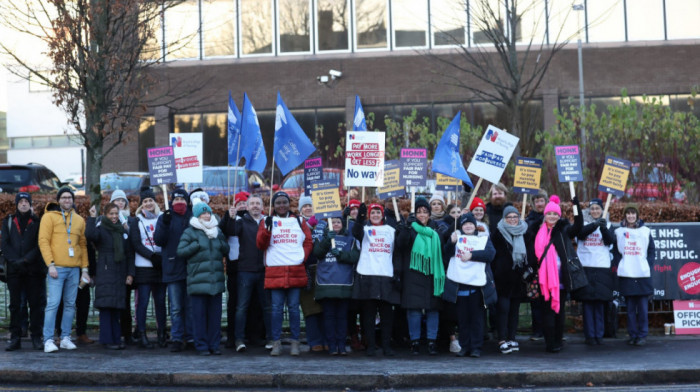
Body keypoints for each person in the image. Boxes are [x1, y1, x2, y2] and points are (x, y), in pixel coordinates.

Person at [256, 192, 313, 356]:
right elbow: (260, 244)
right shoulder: (267, 221)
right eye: (278, 202)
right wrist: (266, 230)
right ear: (273, 205)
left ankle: (295, 342)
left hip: (295, 270)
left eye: (285, 202)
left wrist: (302, 257)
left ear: (290, 204)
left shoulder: (299, 221)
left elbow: (308, 241)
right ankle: (276, 342)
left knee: (295, 309)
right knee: (276, 309)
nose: (282, 205)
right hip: (275, 272)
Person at [525, 195, 582, 353]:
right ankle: (550, 342)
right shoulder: (536, 230)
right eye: (549, 213)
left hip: (561, 278)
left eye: (555, 214)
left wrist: (576, 206)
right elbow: (531, 251)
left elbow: (578, 226)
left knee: (559, 312)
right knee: (547, 312)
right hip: (543, 279)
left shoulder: (563, 230)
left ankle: (558, 340)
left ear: (559, 216)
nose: (552, 216)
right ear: (545, 215)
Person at [38, 187, 89, 353]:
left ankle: (65, 337)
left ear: (73, 200)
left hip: (74, 269)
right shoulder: (48, 217)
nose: (67, 200)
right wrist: (50, 264)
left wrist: (85, 268)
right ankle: (48, 340)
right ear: (58, 200)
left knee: (69, 305)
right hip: (56, 268)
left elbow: (82, 245)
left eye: (70, 197)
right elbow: (43, 241)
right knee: (53, 304)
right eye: (64, 197)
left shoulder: (79, 220)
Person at [177, 202, 229, 356]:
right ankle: (201, 346)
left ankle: (214, 345)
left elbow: (226, 249)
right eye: (203, 213)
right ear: (197, 216)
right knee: (199, 317)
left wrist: (221, 243)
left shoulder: (217, 231)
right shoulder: (190, 232)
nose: (206, 216)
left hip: (215, 281)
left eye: (208, 213)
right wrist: (195, 246)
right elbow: (181, 251)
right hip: (198, 281)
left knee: (215, 316)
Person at [396, 197, 445, 356]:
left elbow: (443, 250)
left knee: (433, 310)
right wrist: (405, 226)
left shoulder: (436, 230)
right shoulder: (409, 228)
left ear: (430, 214)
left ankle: (432, 341)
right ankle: (415, 342)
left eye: (425, 212)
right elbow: (400, 244)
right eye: (419, 212)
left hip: (432, 275)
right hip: (413, 274)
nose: (422, 215)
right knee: (414, 311)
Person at [223, 194, 272, 353]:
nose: (255, 206)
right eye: (252, 204)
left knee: (266, 307)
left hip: (264, 270)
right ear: (248, 206)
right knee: (241, 307)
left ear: (262, 206)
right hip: (245, 270)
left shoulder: (267, 221)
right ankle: (238, 339)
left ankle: (271, 338)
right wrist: (230, 217)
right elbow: (232, 230)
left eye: (258, 203)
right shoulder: (241, 221)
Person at [442, 213, 495, 358]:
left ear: (475, 225)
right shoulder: (456, 238)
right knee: (463, 319)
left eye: (471, 224)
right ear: (461, 226)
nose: (468, 226)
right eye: (465, 224)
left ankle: (476, 347)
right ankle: (465, 347)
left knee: (477, 319)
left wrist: (472, 255)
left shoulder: (483, 239)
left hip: (477, 288)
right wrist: (451, 242)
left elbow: (490, 254)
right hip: (460, 287)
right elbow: (446, 255)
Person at [352, 203, 400, 357]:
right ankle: (371, 346)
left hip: (386, 275)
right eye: (372, 213)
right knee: (369, 315)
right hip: (368, 274)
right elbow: (356, 232)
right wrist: (360, 216)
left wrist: (403, 225)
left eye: (378, 212)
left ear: (382, 215)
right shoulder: (364, 229)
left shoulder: (391, 230)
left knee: (387, 315)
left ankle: (386, 346)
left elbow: (401, 243)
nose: (375, 215)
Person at [86, 203, 135, 349]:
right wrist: (91, 217)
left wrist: (130, 273)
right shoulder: (101, 229)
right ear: (105, 215)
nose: (114, 217)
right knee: (106, 307)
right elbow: (89, 235)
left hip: (120, 273)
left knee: (116, 307)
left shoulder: (122, 231)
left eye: (115, 214)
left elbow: (129, 254)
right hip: (106, 272)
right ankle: (107, 339)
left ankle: (116, 339)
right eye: (111, 214)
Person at [2, 192, 46, 351]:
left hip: (32, 270)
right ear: (16, 204)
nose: (23, 204)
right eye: (20, 201)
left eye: (26, 201)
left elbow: (39, 245)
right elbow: (5, 244)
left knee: (35, 305)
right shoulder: (8, 221)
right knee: (15, 305)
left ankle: (36, 336)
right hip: (14, 271)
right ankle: (15, 337)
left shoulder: (37, 222)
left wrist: (25, 260)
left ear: (30, 204)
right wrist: (15, 261)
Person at [154, 188, 194, 352]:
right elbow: (159, 240)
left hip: (191, 268)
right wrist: (164, 223)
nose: (179, 203)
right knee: (176, 307)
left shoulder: (193, 217)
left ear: (187, 202)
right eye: (176, 200)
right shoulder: (165, 218)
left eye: (182, 200)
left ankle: (190, 337)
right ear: (171, 202)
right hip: (172, 267)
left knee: (190, 307)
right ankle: (177, 337)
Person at [313, 215, 359, 355]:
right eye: (333, 222)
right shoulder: (321, 239)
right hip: (326, 283)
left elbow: (354, 257)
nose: (336, 224)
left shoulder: (351, 240)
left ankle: (342, 345)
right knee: (329, 316)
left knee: (342, 316)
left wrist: (340, 254)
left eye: (338, 222)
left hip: (344, 283)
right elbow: (318, 253)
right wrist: (328, 240)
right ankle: (332, 345)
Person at [129, 186, 167, 348]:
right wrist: (152, 256)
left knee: (160, 302)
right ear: (141, 204)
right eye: (145, 201)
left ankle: (162, 333)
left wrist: (160, 257)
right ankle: (142, 333)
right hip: (143, 267)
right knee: (143, 302)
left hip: (160, 267)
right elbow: (136, 244)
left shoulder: (162, 218)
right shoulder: (137, 221)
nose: (148, 203)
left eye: (151, 200)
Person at [575, 198, 615, 345]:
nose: (595, 211)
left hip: (602, 268)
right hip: (586, 267)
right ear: (589, 211)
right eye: (592, 209)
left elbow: (609, 241)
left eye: (598, 209)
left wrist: (603, 227)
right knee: (587, 304)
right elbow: (580, 234)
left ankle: (599, 334)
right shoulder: (583, 224)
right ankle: (589, 335)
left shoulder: (609, 225)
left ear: (602, 210)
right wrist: (595, 225)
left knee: (599, 303)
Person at [614, 205, 655, 346]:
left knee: (643, 309)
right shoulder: (619, 232)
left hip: (642, 274)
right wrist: (622, 263)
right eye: (628, 214)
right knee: (630, 309)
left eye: (633, 214)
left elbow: (651, 251)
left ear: (637, 215)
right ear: (625, 215)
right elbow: (615, 252)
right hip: (627, 274)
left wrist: (647, 265)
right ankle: (632, 335)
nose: (631, 216)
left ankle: (642, 335)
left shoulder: (645, 231)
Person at [491, 206, 528, 354]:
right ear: (504, 219)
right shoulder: (498, 233)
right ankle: (502, 339)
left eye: (515, 217)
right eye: (509, 217)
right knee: (503, 310)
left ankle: (512, 337)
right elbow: (493, 256)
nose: (512, 219)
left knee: (514, 311)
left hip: (518, 279)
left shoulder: (524, 231)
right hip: (502, 279)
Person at [298, 195, 326, 353]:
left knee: (324, 308)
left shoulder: (324, 224)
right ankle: (314, 340)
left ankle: (326, 339)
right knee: (310, 309)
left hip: (323, 270)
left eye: (310, 205)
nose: (308, 208)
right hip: (306, 270)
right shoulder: (297, 224)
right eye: (305, 206)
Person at [219, 191, 247, 349]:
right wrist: (228, 217)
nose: (242, 206)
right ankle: (232, 335)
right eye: (239, 203)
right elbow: (223, 231)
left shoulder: (255, 219)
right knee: (234, 303)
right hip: (234, 267)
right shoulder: (229, 218)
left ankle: (249, 334)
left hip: (250, 266)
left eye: (244, 203)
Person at [109, 189, 135, 345]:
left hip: (125, 268)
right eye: (116, 200)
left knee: (125, 304)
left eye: (122, 200)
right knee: (114, 303)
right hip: (112, 269)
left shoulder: (131, 220)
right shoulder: (106, 219)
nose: (119, 203)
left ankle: (127, 334)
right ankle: (114, 333)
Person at [525, 189, 548, 341]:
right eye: (537, 201)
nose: (540, 204)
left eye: (542, 200)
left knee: (549, 297)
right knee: (535, 298)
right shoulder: (528, 220)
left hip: (550, 264)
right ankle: (537, 330)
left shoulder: (554, 217)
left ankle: (549, 329)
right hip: (535, 264)